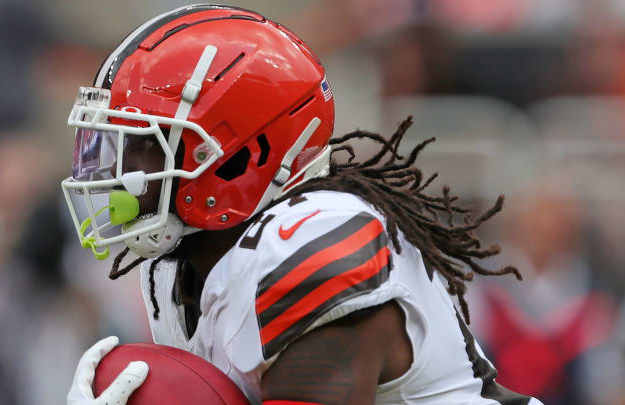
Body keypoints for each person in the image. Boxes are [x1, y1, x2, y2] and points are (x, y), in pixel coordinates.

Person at [62, 5, 543, 405]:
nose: (117, 171)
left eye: (145, 144)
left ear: (243, 155)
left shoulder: (308, 244)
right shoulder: (173, 273)